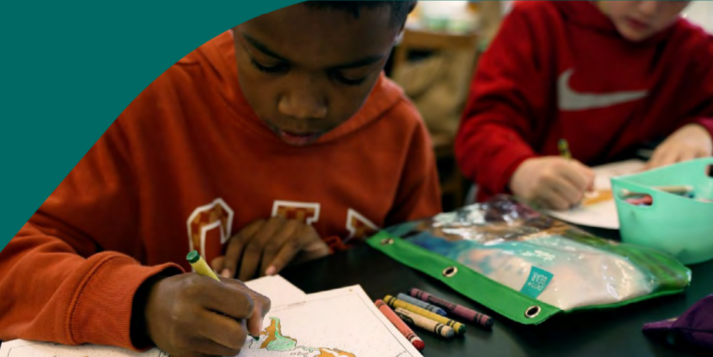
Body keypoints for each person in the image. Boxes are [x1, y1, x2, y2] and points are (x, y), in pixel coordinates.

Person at [0, 2, 441, 356]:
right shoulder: (146, 99)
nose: (301, 107)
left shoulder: (398, 131)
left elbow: (426, 288)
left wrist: (331, 262)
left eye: (350, 76)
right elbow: (13, 259)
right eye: (268, 63)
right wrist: (142, 302)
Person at [455, 1, 713, 210]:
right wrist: (520, 169)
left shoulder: (694, 50)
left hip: (629, 226)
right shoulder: (536, 21)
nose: (648, 8)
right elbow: (479, 130)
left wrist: (701, 130)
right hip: (519, 217)